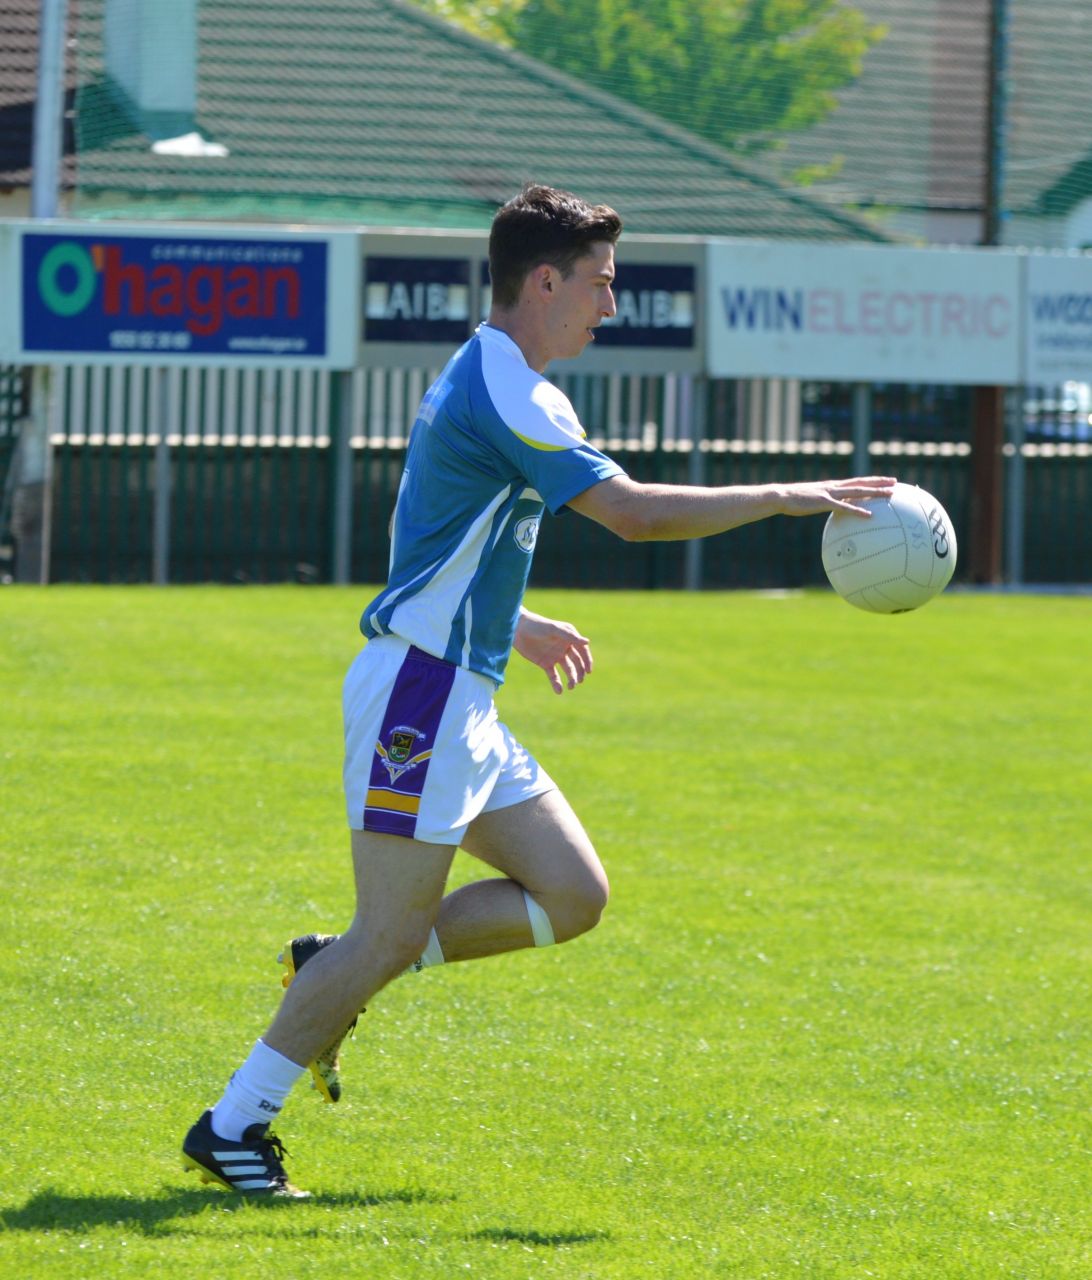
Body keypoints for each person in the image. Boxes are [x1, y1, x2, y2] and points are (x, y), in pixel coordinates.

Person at [181, 184, 896, 1197]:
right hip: (419, 698)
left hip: (458, 693)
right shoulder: (509, 386)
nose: (612, 303)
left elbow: (430, 537)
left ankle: (332, 964)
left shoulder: (495, 373)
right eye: (601, 283)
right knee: (384, 932)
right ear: (546, 279)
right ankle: (235, 1120)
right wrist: (787, 494)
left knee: (571, 893)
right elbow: (632, 514)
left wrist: (514, 624)